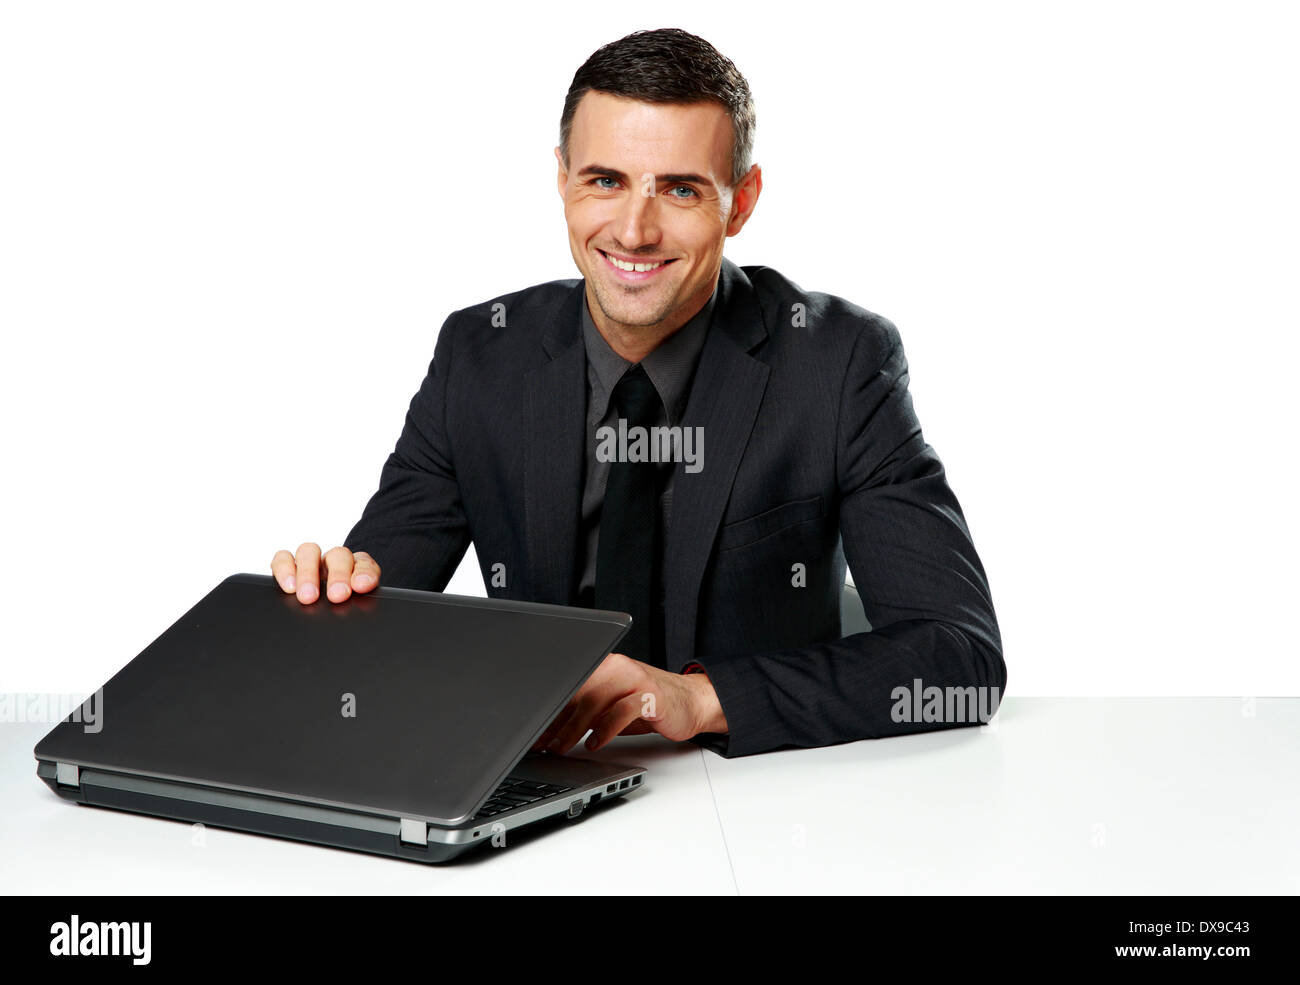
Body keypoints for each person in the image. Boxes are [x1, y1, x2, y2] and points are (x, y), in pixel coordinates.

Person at [269, 28, 1005, 758]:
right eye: (605, 180)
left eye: (680, 190)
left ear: (740, 201)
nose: (633, 230)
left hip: (757, 797)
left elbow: (959, 653)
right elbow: (370, 616)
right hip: (540, 784)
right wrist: (326, 603)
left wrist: (696, 697)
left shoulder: (839, 365)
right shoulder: (479, 356)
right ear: (562, 180)